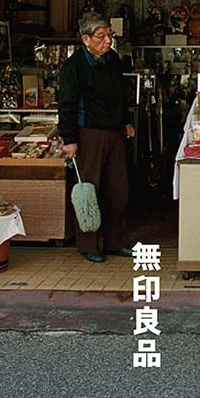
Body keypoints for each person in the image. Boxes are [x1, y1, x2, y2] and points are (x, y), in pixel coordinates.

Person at [57, 13, 135, 263]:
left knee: (118, 189)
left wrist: (126, 121)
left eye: (109, 35)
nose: (107, 41)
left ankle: (116, 241)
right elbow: (66, 105)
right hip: (88, 133)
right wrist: (69, 139)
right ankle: (89, 244)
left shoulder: (112, 60)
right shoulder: (74, 67)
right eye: (101, 36)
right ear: (86, 39)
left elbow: (120, 95)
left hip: (114, 133)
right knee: (89, 190)